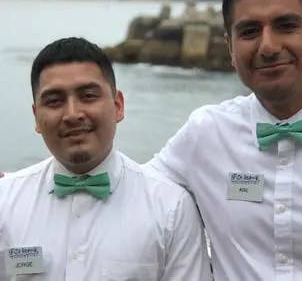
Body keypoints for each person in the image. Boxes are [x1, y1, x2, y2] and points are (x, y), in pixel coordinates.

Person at [146, 0, 302, 280]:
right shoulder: (207, 133)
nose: (268, 47)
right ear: (229, 47)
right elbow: (134, 196)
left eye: (286, 25)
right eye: (250, 31)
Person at [0, 38, 211, 281]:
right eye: (54, 101)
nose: (72, 114)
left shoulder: (171, 207)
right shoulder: (5, 201)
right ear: (37, 117)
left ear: (118, 105)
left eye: (88, 96)